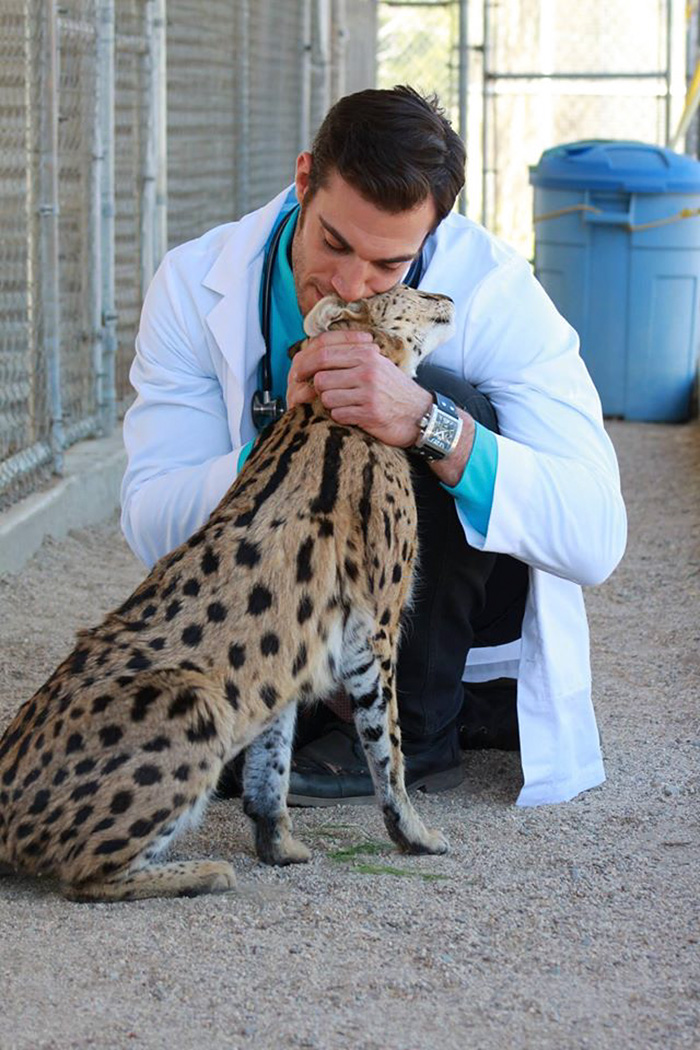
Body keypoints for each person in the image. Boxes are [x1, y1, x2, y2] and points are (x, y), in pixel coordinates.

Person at [121, 86, 627, 809]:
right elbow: (150, 522)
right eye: (333, 243)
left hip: (455, 637)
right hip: (282, 630)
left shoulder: (493, 288)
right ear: (303, 182)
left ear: (430, 239)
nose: (350, 284)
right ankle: (303, 710)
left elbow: (596, 536)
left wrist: (427, 420)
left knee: (446, 391)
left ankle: (416, 730)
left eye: (389, 266)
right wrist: (274, 446)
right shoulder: (193, 284)